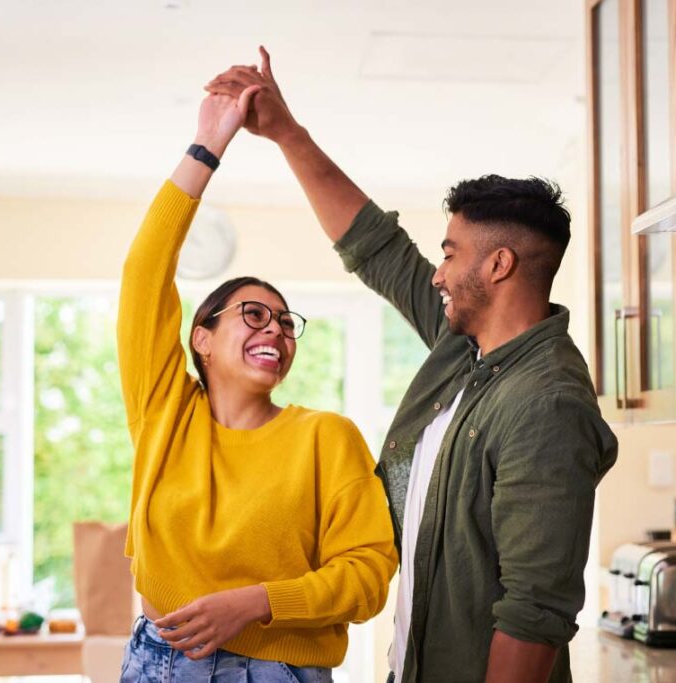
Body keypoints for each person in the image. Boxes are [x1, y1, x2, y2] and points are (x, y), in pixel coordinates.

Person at [205, 48, 619, 683]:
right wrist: (285, 132)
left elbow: (534, 614)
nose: (438, 272)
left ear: (499, 265)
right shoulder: (467, 352)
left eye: (451, 253)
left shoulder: (546, 403)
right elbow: (376, 248)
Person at [117, 83, 398, 682]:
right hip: (157, 663)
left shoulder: (326, 438)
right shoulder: (164, 412)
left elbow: (370, 573)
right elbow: (144, 274)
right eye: (252, 313)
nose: (275, 327)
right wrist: (207, 144)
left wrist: (256, 602)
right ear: (202, 338)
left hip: (275, 672)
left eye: (284, 320)